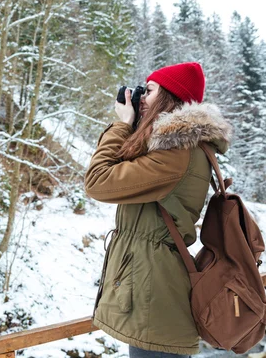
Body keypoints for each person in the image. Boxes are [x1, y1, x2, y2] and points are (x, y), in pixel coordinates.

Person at [84, 62, 233, 357]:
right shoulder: (174, 147)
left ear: (169, 97)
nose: (141, 97)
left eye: (149, 91)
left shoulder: (176, 152)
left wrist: (121, 124)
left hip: (155, 296)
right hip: (149, 286)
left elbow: (98, 181)